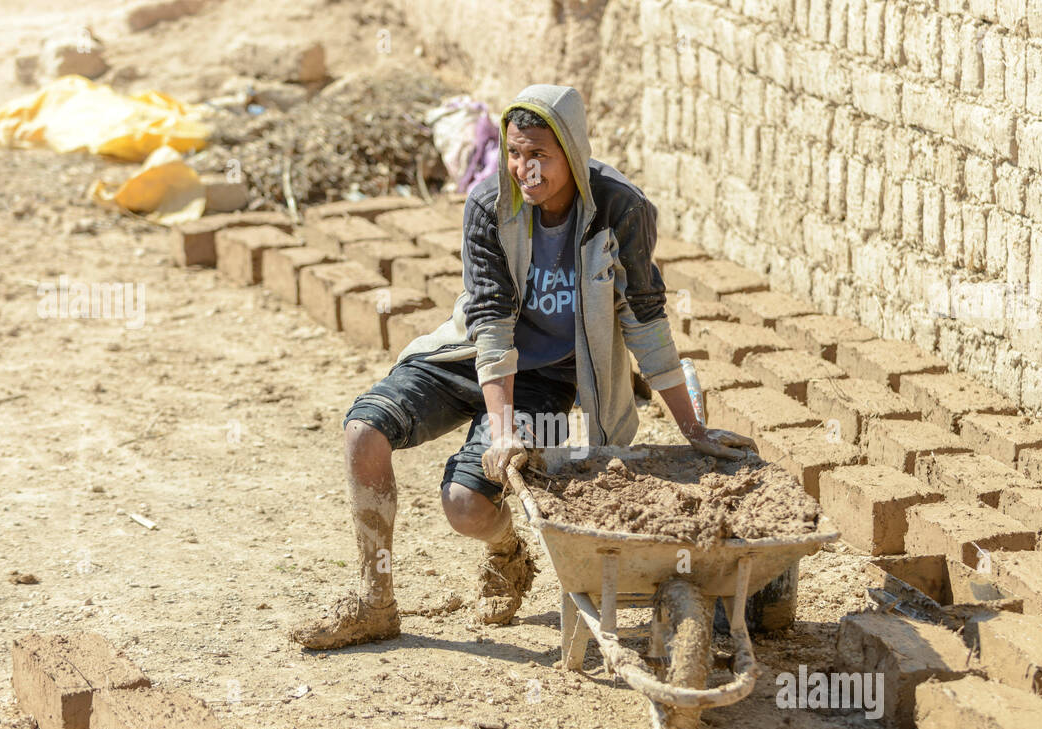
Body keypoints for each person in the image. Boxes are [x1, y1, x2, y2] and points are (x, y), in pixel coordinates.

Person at [289, 83, 754, 651]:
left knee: (466, 507)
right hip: (473, 354)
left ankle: (507, 551)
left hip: (550, 376)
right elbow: (491, 322)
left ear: (572, 152)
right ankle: (374, 602)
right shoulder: (490, 206)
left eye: (539, 155)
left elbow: (646, 320)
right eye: (515, 153)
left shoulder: (618, 208)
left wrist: (693, 429)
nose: (524, 169)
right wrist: (501, 426)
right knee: (363, 431)